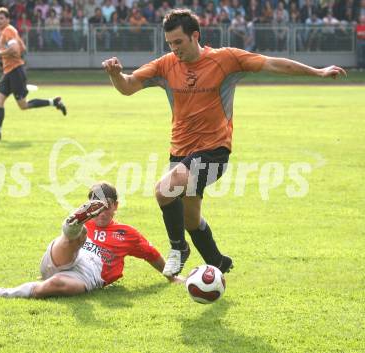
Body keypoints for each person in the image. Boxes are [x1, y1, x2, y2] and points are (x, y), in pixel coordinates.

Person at [102, 9, 346, 278]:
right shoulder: (165, 65)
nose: (174, 49)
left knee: (163, 190)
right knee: (190, 219)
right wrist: (115, 74)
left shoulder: (225, 60)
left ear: (195, 36)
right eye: (170, 43)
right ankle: (217, 262)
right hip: (180, 152)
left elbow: (274, 64)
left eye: (179, 42)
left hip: (214, 152)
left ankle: (178, 249)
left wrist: (318, 72)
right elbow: (127, 86)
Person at [0, 182, 183, 299]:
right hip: (67, 254)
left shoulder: (127, 233)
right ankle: (72, 226)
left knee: (53, 284)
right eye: (95, 207)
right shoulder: (87, 227)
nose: (101, 212)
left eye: (105, 206)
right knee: (77, 237)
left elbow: (152, 255)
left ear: (115, 206)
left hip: (89, 274)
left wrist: (172, 278)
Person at [0, 7, 67, 141]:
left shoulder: (8, 31)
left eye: (1, 18)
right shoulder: (11, 31)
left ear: (8, 19)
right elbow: (22, 48)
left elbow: (15, 49)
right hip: (9, 71)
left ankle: (53, 102)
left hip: (15, 71)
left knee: (23, 105)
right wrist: (8, 53)